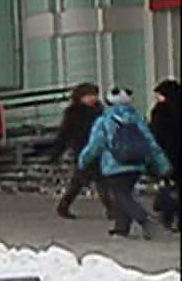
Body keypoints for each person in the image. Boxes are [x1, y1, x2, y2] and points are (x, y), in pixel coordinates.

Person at [78, 87, 173, 240]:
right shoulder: (137, 119)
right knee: (124, 194)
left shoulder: (104, 121)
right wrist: (163, 164)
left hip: (114, 165)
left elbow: (95, 145)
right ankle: (121, 228)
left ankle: (145, 221)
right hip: (136, 164)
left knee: (120, 196)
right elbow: (151, 143)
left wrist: (83, 161)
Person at [47, 83, 107, 220]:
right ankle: (64, 206)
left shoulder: (100, 110)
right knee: (82, 180)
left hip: (99, 149)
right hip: (82, 150)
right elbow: (65, 133)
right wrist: (57, 152)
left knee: (100, 180)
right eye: (89, 95)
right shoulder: (74, 113)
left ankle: (112, 209)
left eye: (94, 95)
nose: (92, 98)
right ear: (80, 97)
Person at [152, 79, 181, 231]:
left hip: (167, 154)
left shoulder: (161, 111)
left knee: (167, 187)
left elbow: (157, 135)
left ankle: (167, 218)